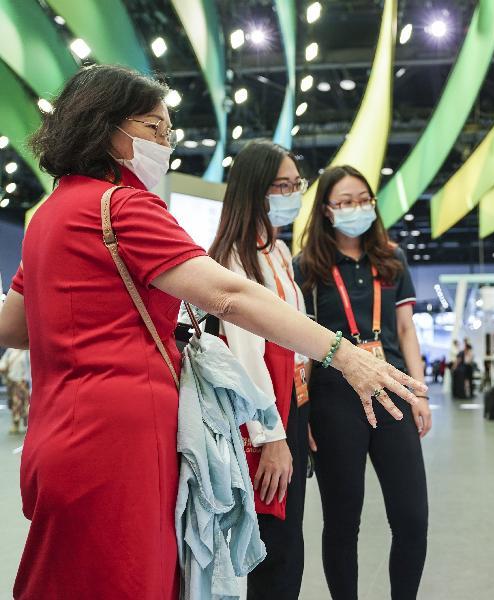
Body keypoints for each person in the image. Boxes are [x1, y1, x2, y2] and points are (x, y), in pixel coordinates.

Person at [0, 65, 425, 600]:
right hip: (124, 438)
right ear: (104, 126)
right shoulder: (122, 207)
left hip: (57, 433)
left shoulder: (48, 216)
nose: (166, 142)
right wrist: (344, 353)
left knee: (65, 579)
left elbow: (13, 328)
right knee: (132, 580)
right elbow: (229, 296)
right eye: (154, 128)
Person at [294, 165, 430, 600]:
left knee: (412, 518)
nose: (356, 208)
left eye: (363, 200)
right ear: (327, 210)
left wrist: (419, 392)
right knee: (341, 521)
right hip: (334, 400)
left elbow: (405, 329)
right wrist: (304, 412)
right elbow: (301, 343)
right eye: (345, 201)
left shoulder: (391, 259)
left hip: (393, 391)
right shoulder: (307, 266)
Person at [207, 139, 311, 599]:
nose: (292, 194)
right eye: (281, 186)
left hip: (295, 404)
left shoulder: (279, 251)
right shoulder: (234, 259)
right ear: (255, 190)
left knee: (290, 540)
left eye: (296, 184)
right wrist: (272, 437)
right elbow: (247, 357)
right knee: (275, 546)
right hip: (265, 415)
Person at [0, 348, 30, 434]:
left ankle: (27, 424)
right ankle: (15, 423)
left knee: (25, 403)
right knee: (14, 403)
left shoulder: (27, 351)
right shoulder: (10, 351)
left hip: (24, 383)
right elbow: (3, 363)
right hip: (12, 382)